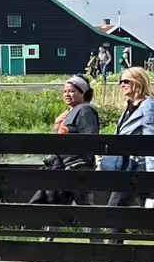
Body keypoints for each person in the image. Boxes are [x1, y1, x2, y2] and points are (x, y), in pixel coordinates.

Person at [102, 66, 154, 220]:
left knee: (116, 210)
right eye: (120, 82)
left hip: (139, 166)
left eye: (126, 81)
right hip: (128, 165)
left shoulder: (149, 106)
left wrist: (153, 175)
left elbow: (152, 143)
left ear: (138, 82)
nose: (122, 85)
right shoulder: (130, 106)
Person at [30, 75, 101, 205]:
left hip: (77, 167)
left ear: (83, 92)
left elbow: (90, 138)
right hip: (62, 166)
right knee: (53, 203)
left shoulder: (85, 110)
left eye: (72, 91)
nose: (67, 94)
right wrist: (57, 127)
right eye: (65, 91)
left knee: (83, 206)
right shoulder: (68, 112)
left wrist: (66, 134)